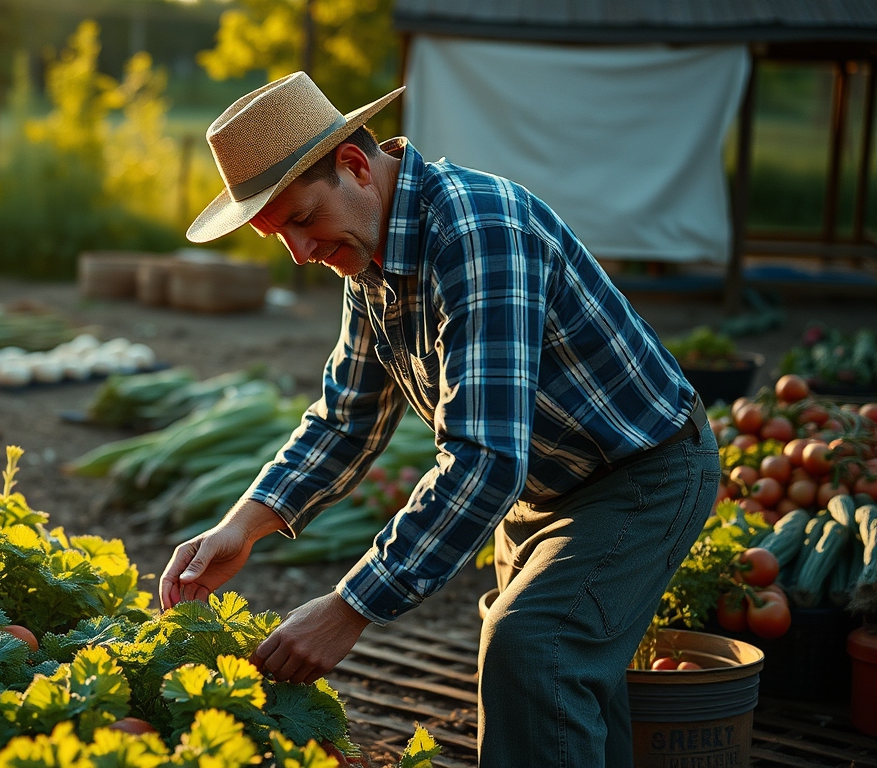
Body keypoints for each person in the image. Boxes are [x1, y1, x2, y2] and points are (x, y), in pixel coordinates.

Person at [157, 71, 718, 767]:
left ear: (355, 166)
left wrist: (349, 607)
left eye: (301, 220)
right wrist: (241, 524)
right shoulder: (365, 254)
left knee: (534, 653)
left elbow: (484, 460)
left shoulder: (478, 231)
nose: (300, 254)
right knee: (564, 694)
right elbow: (346, 419)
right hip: (548, 489)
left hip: (642, 474)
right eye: (280, 237)